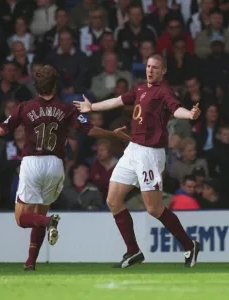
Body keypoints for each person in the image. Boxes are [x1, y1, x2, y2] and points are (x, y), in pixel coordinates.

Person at [0, 65, 129, 271]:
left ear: (36, 85)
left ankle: (48, 222)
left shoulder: (25, 107)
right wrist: (112, 133)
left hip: (32, 162)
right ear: (55, 85)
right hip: (55, 164)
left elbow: (2, 128)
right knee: (41, 208)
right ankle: (30, 262)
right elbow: (88, 129)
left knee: (22, 218)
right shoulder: (66, 108)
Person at [74, 53, 201, 269]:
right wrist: (91, 107)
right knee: (113, 200)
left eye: (155, 67)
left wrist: (189, 114)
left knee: (154, 208)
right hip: (133, 149)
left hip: (150, 154)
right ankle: (133, 251)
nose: (150, 70)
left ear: (163, 71)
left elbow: (175, 108)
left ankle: (190, 245)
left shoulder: (164, 92)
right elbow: (117, 100)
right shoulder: (141, 88)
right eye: (148, 66)